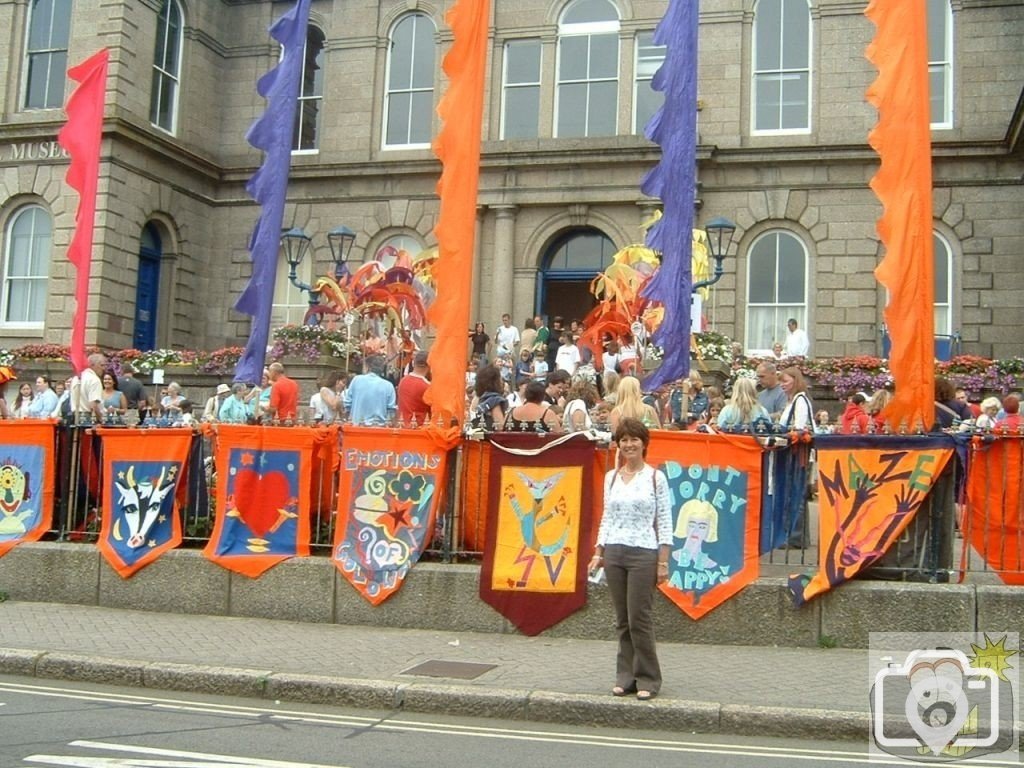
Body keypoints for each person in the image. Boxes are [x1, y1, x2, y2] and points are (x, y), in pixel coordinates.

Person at [587, 418, 672, 701]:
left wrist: (662, 562)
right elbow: (607, 517)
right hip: (614, 553)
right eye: (624, 440)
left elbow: (665, 521)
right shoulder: (611, 478)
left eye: (634, 439)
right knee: (622, 620)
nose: (629, 445)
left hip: (643, 554)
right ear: (618, 444)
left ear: (644, 443)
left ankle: (648, 677)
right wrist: (599, 552)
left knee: (639, 618)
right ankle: (625, 676)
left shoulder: (655, 478)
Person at [343, 355, 397, 426]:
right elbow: (391, 411)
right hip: (379, 427)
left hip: (357, 425)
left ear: (367, 367)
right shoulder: (388, 385)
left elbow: (347, 404)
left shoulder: (357, 380)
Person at [397, 351, 431, 425]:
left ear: (413, 363)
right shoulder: (427, 386)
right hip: (419, 429)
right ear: (429, 365)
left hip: (402, 426)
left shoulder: (402, 382)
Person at [470, 364, 507, 430]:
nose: (502, 381)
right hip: (489, 438)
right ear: (494, 381)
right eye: (500, 378)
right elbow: (500, 426)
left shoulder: (476, 398)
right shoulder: (494, 400)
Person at [72, 353, 107, 422]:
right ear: (92, 365)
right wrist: (101, 419)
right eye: (102, 365)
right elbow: (93, 405)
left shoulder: (76, 378)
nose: (104, 368)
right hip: (88, 418)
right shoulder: (94, 380)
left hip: (75, 417)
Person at [778, 366, 813, 430]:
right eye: (780, 382)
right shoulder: (791, 401)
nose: (781, 385)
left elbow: (800, 427)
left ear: (795, 381)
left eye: (785, 381)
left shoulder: (800, 401)